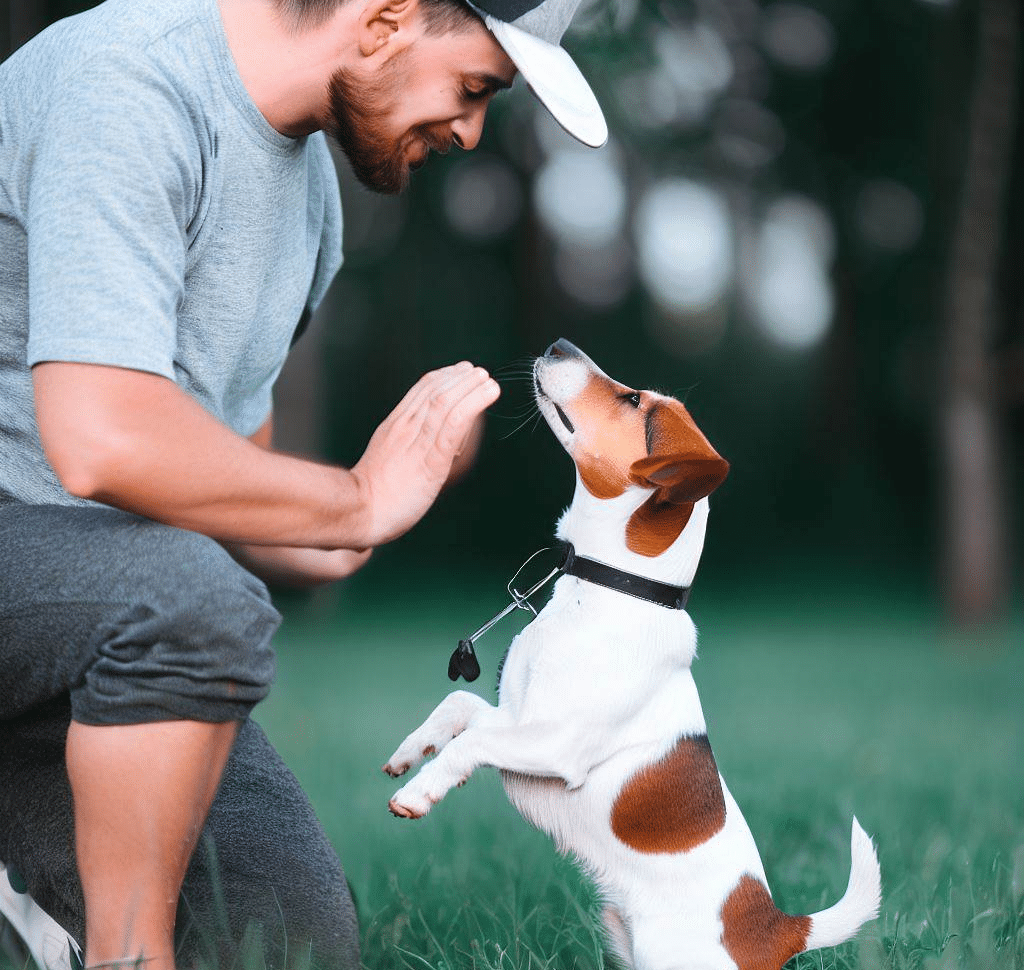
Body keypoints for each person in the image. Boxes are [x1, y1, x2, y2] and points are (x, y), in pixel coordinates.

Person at [0, 0, 606, 966]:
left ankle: (32, 886)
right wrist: (354, 500)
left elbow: (235, 508)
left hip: (106, 619)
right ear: (385, 21)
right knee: (192, 597)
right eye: (475, 88)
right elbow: (102, 441)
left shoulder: (311, 202)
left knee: (284, 945)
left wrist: (399, 488)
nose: (470, 130)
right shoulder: (131, 82)